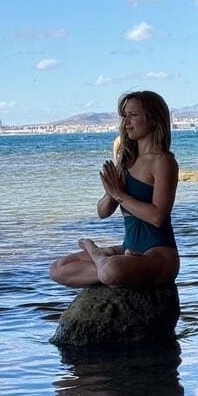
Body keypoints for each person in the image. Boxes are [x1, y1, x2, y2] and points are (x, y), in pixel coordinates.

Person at [49, 91, 179, 289]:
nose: (126, 122)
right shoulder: (126, 162)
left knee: (112, 271)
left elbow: (157, 216)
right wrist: (111, 193)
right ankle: (108, 264)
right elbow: (102, 212)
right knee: (59, 268)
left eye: (133, 115)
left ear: (153, 119)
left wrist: (120, 194)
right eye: (124, 116)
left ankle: (97, 254)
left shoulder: (163, 161)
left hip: (159, 255)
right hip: (128, 249)